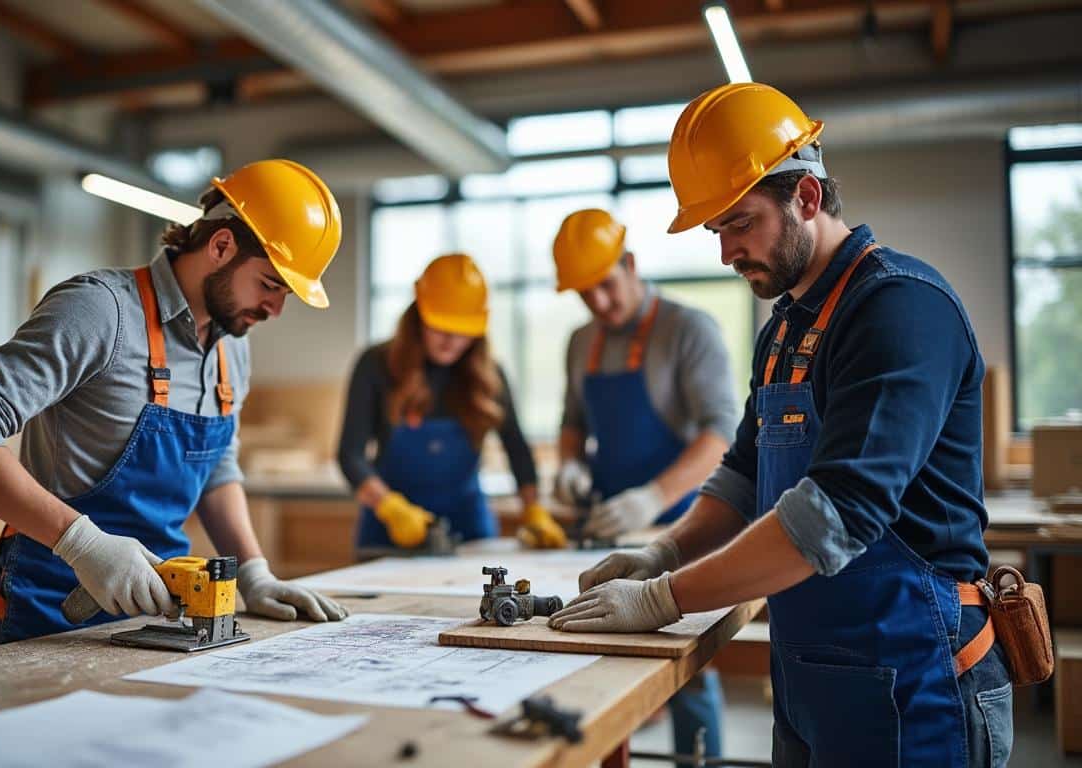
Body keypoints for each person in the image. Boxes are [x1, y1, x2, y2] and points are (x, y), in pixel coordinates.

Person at [550, 83, 1013, 767]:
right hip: (811, 673)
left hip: (912, 677)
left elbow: (836, 515)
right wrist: (665, 551)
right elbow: (743, 476)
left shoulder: (898, 308)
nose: (726, 252)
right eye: (717, 232)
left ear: (806, 198)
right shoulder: (787, 327)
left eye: (740, 223)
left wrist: (661, 597)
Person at [0, 159, 350, 650]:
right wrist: (81, 544)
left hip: (162, 621)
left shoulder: (233, 344)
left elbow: (216, 466)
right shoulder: (101, 310)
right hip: (46, 617)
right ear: (221, 245)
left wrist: (254, 571)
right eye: (271, 285)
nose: (275, 310)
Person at [552, 208, 738, 759]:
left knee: (685, 664)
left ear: (630, 264)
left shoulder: (688, 329)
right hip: (607, 526)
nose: (599, 305)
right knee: (596, 658)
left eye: (606, 287)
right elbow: (572, 422)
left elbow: (722, 432)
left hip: (680, 530)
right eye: (584, 295)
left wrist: (653, 498)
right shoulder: (580, 341)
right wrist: (569, 466)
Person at [337, 253, 567, 553]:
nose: (451, 338)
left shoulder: (490, 376)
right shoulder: (376, 365)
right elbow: (350, 455)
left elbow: (518, 451)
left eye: (462, 329)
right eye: (440, 325)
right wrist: (390, 507)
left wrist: (534, 509)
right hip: (388, 533)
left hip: (470, 531)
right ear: (419, 312)